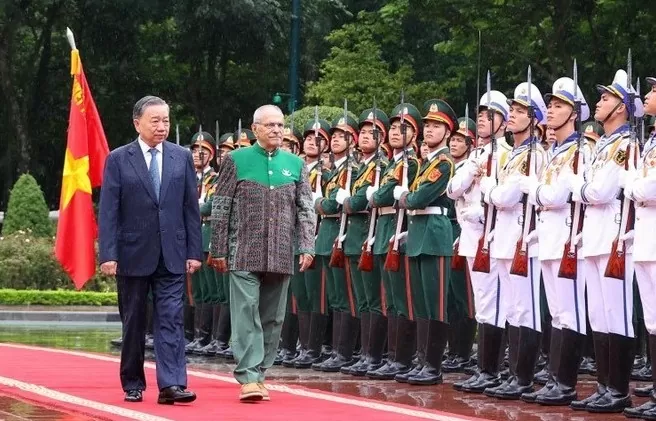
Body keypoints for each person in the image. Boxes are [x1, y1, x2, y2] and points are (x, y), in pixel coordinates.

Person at [98, 95, 201, 405]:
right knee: (134, 321)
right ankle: (132, 382)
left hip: (172, 253)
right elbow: (109, 211)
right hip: (132, 254)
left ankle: (172, 384)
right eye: (155, 121)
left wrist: (194, 251)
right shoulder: (118, 158)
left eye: (166, 121)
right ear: (137, 123)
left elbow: (189, 209)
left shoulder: (180, 156)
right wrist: (109, 254)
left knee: (171, 318)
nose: (161, 126)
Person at [208, 104, 315, 402]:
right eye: (270, 125)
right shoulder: (236, 160)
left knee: (273, 317)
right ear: (255, 129)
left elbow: (305, 208)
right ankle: (249, 376)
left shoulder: (295, 164)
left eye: (280, 125)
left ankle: (261, 371)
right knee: (245, 312)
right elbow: (221, 207)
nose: (276, 130)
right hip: (243, 250)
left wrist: (307, 245)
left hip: (281, 252)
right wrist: (218, 249)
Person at [567, 69, 643, 413]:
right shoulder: (606, 146)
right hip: (595, 237)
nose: (599, 103)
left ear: (621, 108)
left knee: (618, 315)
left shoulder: (625, 145)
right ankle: (603, 385)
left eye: (606, 98)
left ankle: (619, 389)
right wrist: (584, 190)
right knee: (599, 315)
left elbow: (598, 191)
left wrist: (577, 189)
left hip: (614, 235)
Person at [517, 76, 591, 406]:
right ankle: (555, 379)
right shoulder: (553, 153)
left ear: (574, 114)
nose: (550, 109)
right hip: (547, 238)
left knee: (569, 313)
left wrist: (534, 190)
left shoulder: (580, 150)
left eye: (558, 105)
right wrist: (541, 194)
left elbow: (556, 196)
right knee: (558, 314)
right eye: (550, 104)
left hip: (566, 240)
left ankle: (566, 383)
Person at [480, 81, 548, 399]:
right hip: (505, 239)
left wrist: (492, 192)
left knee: (526, 309)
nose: (513, 115)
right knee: (512, 309)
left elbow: (503, 196)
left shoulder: (535, 154)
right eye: (513, 109)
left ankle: (523, 376)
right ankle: (513, 374)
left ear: (534, 118)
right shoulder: (514, 155)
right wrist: (495, 193)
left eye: (520, 111)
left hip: (524, 239)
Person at [448, 90, 512, 393]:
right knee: (482, 303)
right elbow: (452, 190)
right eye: (481, 115)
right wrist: (470, 171)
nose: (482, 121)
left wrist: (480, 210)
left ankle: (492, 369)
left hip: (491, 235)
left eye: (489, 115)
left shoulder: (505, 154)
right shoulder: (475, 155)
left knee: (493, 302)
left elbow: (505, 198)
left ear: (502, 120)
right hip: (471, 237)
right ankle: (484, 368)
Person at [394, 99, 458, 385]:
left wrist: (403, 197)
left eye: (437, 126)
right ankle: (422, 362)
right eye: (428, 125)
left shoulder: (443, 163)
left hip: (434, 232)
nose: (430, 130)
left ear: (447, 132)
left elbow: (419, 198)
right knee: (420, 303)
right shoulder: (424, 163)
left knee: (435, 303)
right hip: (419, 231)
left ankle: (433, 366)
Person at [366, 102, 421, 382]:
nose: (396, 133)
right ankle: (391, 356)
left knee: (401, 299)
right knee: (389, 299)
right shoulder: (392, 162)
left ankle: (402, 358)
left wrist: (377, 196)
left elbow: (384, 196)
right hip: (386, 227)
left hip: (399, 227)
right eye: (394, 128)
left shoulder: (410, 162)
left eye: (405, 128)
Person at [337, 108, 390, 376]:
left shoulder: (379, 166)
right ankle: (365, 354)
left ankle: (373, 355)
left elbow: (358, 201)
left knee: (373, 298)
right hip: (356, 236)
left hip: (368, 235)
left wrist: (346, 201)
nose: (367, 136)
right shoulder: (365, 166)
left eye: (374, 133)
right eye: (365, 132)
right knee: (362, 299)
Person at [624, 75, 656, 420]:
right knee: (652, 319)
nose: (647, 95)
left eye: (654, 90)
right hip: (646, 235)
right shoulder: (650, 141)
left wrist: (636, 185)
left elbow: (648, 187)